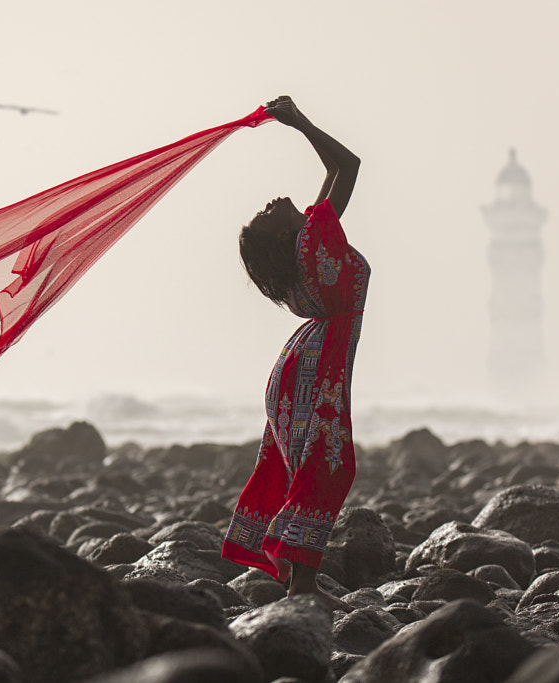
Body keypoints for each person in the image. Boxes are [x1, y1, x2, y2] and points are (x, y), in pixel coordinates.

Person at [221, 96, 367, 612]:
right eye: (264, 215)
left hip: (300, 362)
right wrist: (300, 122)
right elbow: (346, 166)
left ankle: (296, 575)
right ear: (284, 236)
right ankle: (301, 586)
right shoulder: (311, 244)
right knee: (326, 463)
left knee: (315, 464)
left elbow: (334, 179)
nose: (271, 202)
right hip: (316, 362)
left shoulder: (307, 245)